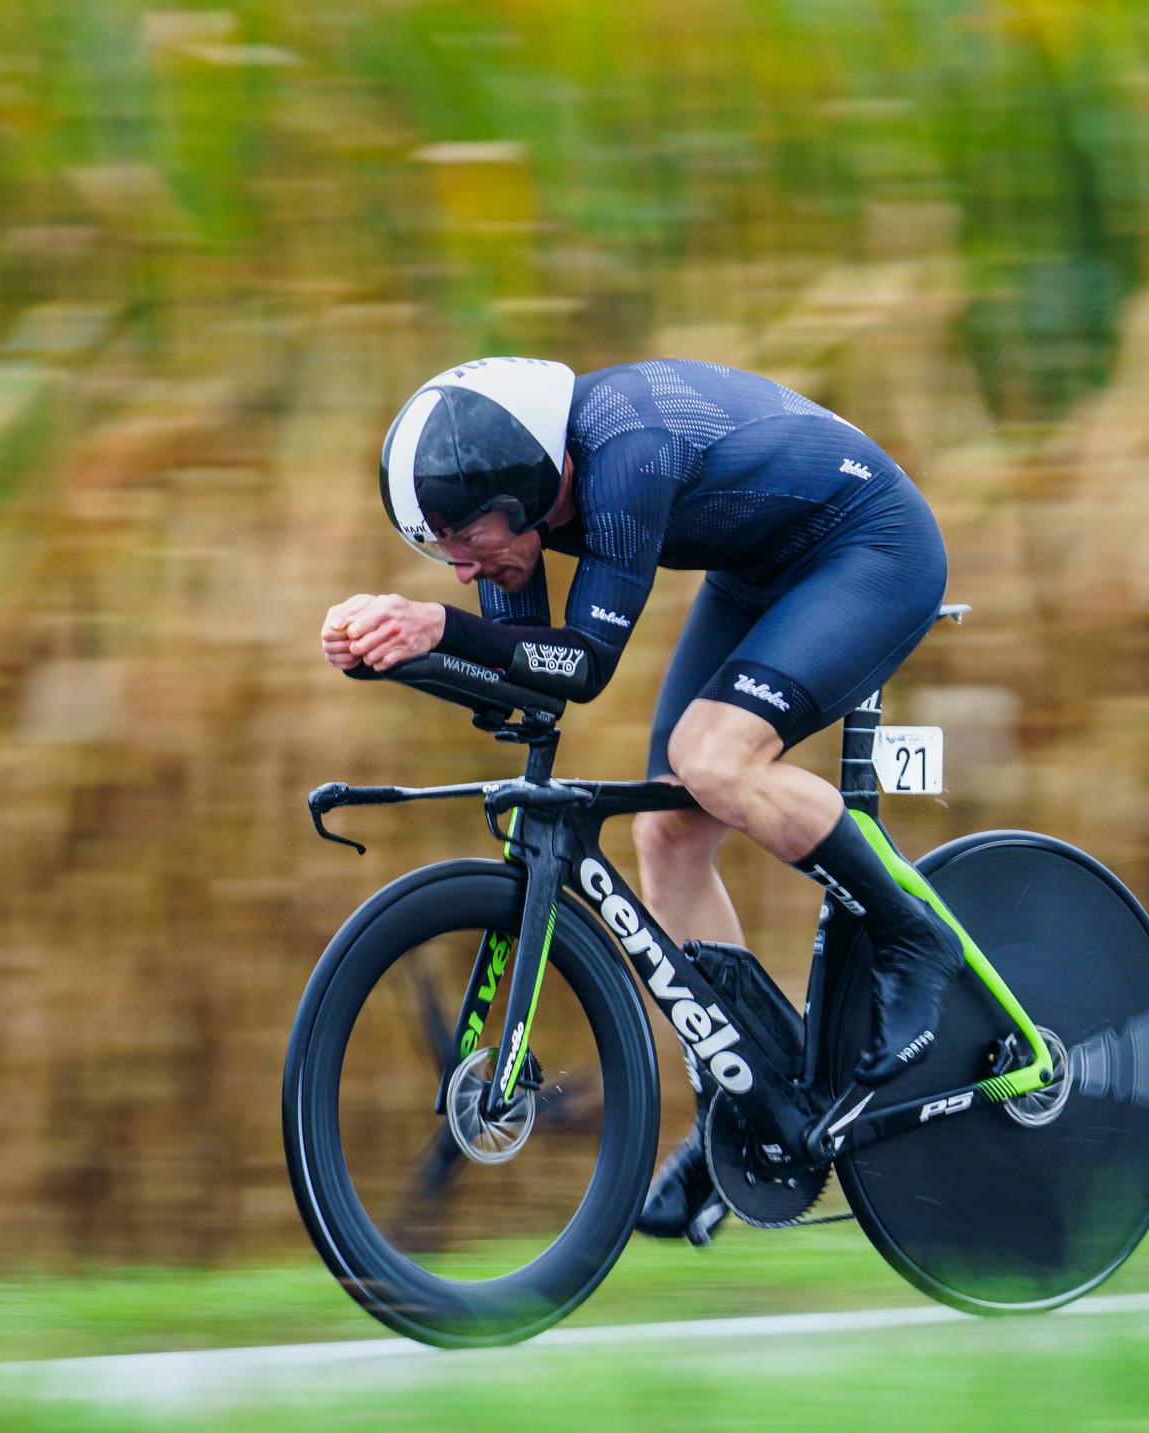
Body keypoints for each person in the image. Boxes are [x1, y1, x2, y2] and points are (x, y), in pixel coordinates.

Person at [321, 356, 967, 1246]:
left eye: (466, 542)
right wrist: (398, 654)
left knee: (715, 758)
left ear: (523, 488)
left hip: (871, 548)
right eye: (443, 552)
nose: (464, 572)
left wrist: (438, 625)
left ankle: (912, 934)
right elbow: (529, 679)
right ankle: (751, 1095)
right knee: (667, 833)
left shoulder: (628, 449)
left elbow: (583, 665)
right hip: (761, 573)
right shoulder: (520, 511)